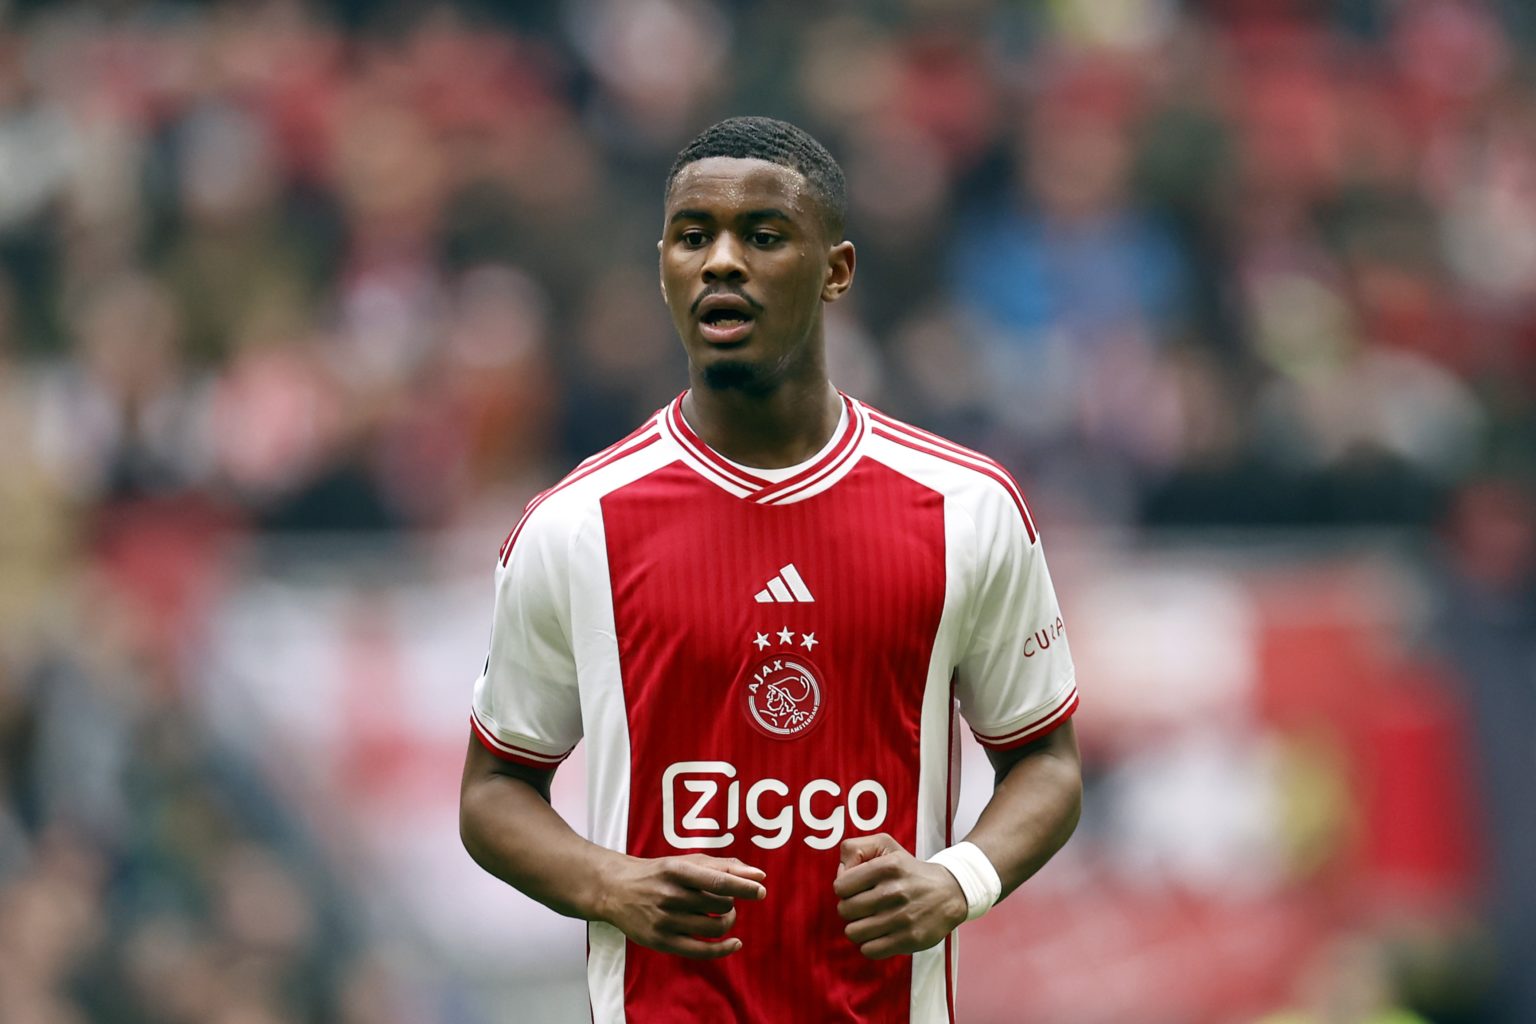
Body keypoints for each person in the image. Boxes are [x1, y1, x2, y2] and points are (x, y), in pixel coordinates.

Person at [459, 116, 1082, 1023]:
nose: (720, 261)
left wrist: (961, 879)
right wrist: (609, 882)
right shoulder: (574, 526)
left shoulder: (966, 509)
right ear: (664, 266)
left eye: (762, 235)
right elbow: (493, 791)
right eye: (692, 235)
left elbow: (1046, 760)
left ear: (836, 271)